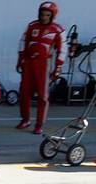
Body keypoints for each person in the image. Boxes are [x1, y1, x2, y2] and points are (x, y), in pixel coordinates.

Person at [17, 1, 64, 134]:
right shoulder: (32, 26)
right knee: (24, 93)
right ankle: (25, 120)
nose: (44, 17)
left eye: (47, 15)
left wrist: (58, 68)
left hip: (44, 66)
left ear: (52, 16)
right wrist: (20, 60)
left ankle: (39, 124)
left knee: (43, 97)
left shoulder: (58, 30)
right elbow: (22, 42)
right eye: (42, 14)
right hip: (29, 63)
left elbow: (63, 51)